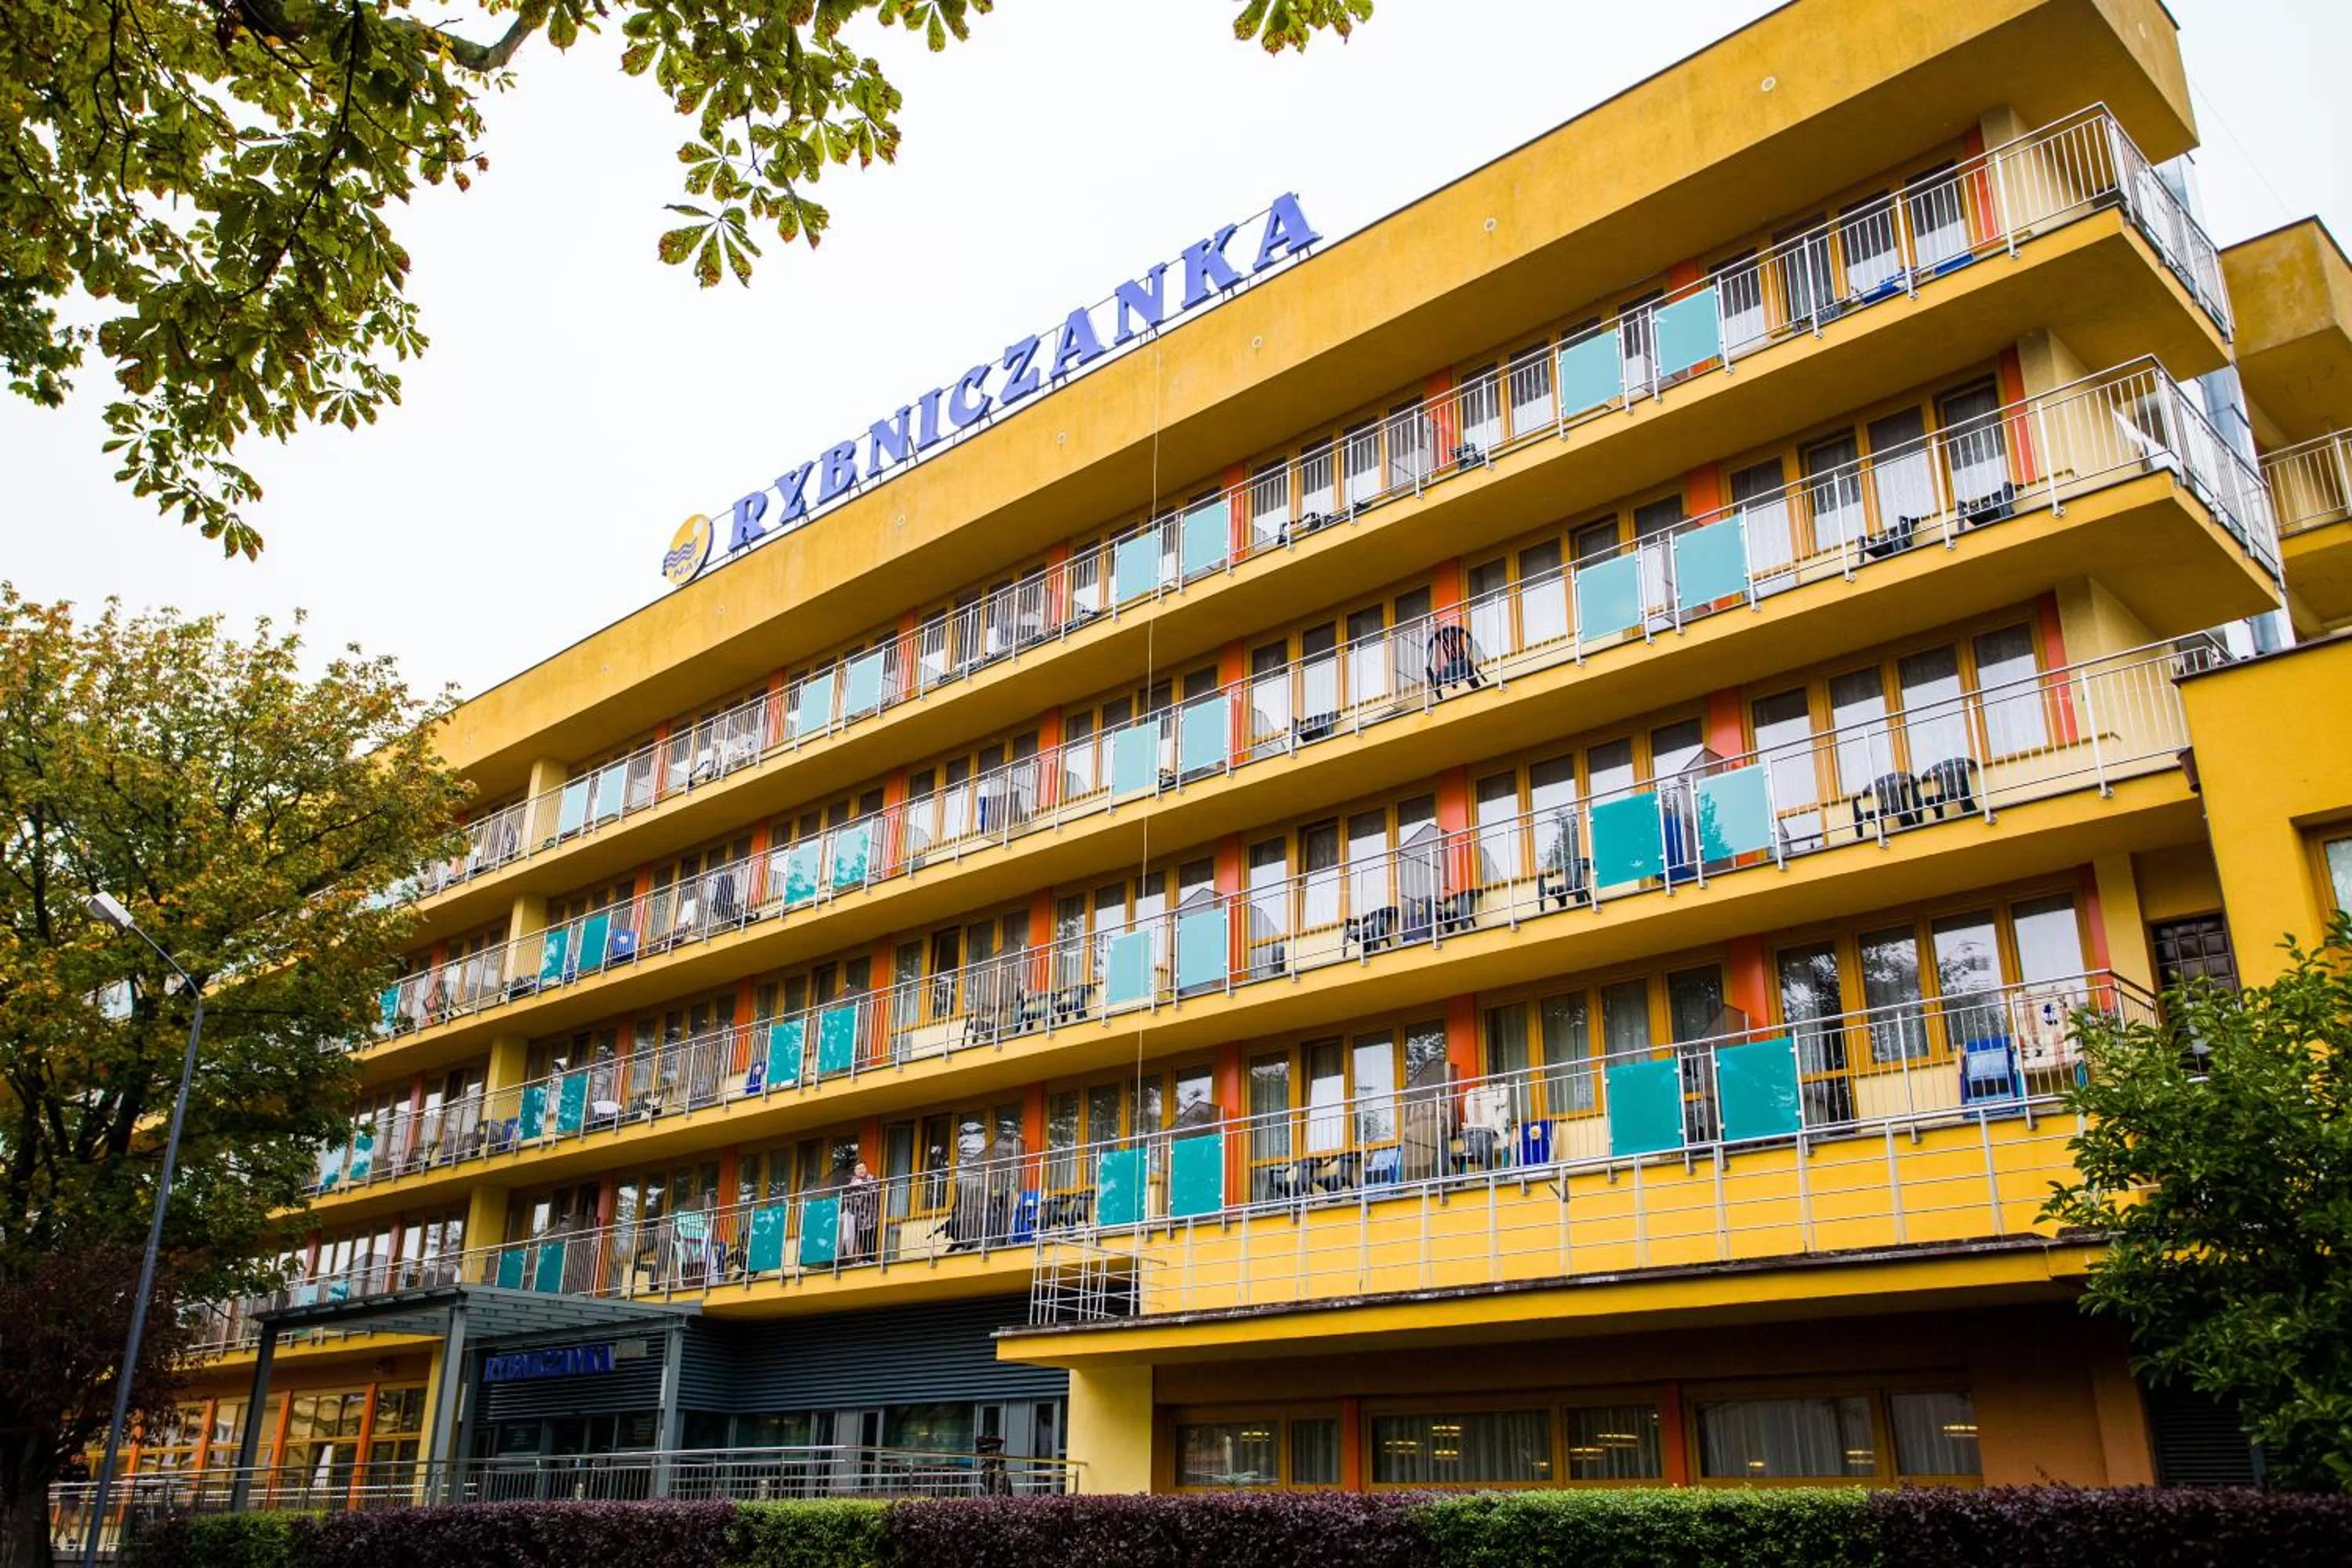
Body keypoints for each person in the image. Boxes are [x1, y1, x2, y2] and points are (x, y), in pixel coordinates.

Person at [843, 1161, 880, 1262]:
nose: (861, 1170)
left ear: (866, 1169)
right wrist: (854, 1187)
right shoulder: (852, 1184)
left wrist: (862, 1185)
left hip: (871, 1217)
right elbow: (847, 1201)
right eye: (858, 1169)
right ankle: (864, 1259)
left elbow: (874, 1194)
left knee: (871, 1238)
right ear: (855, 1172)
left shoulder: (872, 1180)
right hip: (858, 1218)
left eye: (863, 1168)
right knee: (861, 1239)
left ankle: (870, 1259)